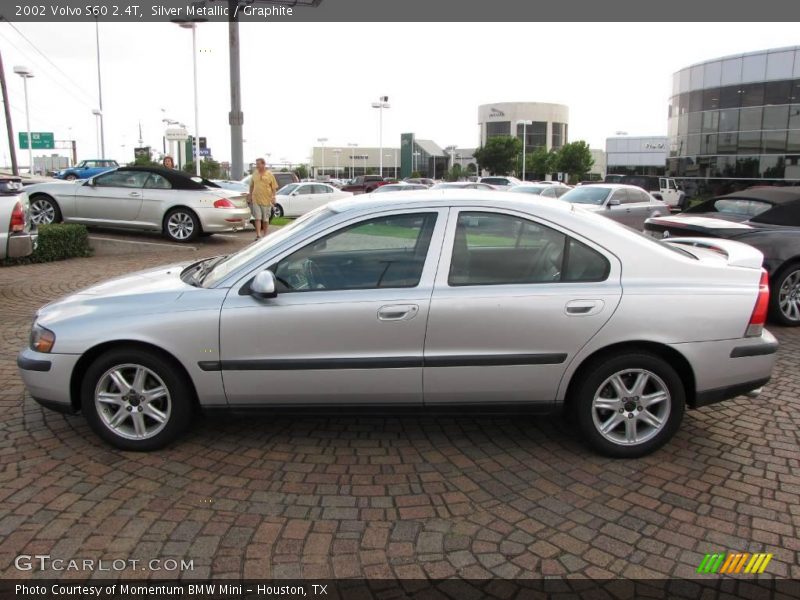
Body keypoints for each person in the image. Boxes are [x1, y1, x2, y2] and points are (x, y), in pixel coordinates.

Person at [248, 158, 278, 239]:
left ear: (263, 164)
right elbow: (251, 186)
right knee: (257, 218)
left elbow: (274, 187)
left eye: (258, 164)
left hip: (266, 200)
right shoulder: (254, 173)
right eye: (256, 164)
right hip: (256, 199)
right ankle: (258, 235)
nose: (256, 166)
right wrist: (250, 196)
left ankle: (265, 235)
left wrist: (273, 197)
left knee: (265, 219)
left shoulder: (270, 174)